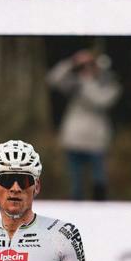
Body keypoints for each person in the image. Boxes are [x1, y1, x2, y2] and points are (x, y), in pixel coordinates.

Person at [46, 49, 121, 201]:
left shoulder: (109, 86)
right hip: (74, 139)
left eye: (92, 66)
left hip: (96, 140)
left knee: (99, 182)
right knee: (76, 184)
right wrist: (73, 62)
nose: (89, 69)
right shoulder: (76, 83)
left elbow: (101, 101)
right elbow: (52, 79)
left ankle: (100, 211)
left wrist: (87, 81)